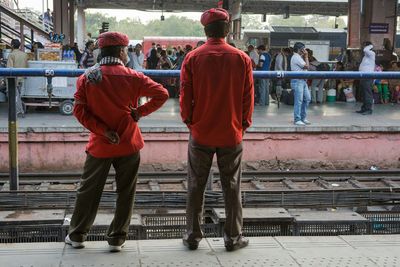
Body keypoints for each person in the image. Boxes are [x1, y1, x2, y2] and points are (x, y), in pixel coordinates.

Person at [65, 31, 169, 252]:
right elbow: (162, 94)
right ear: (122, 52)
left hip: (100, 145)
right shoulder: (134, 77)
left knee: (89, 190)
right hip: (129, 143)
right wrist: (139, 112)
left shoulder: (87, 77)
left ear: (101, 52)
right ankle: (117, 238)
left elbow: (79, 111)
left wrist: (103, 131)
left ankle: (77, 235)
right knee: (125, 191)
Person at [180, 8, 254, 252]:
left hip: (200, 133)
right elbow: (247, 99)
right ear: (227, 29)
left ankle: (192, 236)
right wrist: (241, 125)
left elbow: (185, 97)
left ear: (205, 30)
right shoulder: (241, 58)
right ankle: (233, 238)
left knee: (195, 185)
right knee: (232, 186)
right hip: (231, 134)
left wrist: (190, 122)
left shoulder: (192, 58)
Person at [290, 42, 311, 126]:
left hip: (302, 81)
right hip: (298, 81)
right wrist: (306, 56)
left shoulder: (299, 57)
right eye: (303, 49)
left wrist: (304, 57)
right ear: (300, 50)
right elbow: (307, 66)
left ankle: (302, 117)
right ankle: (297, 119)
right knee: (298, 101)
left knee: (307, 98)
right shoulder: (296, 57)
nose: (305, 51)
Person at [7, 39, 28, 117]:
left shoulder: (11, 55)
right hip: (22, 78)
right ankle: (20, 111)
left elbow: (9, 69)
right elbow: (26, 67)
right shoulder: (24, 54)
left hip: (14, 79)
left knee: (15, 96)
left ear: (12, 45)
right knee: (18, 95)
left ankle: (19, 111)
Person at [356, 41, 375, 115]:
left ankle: (368, 109)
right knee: (363, 93)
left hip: (368, 76)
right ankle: (364, 108)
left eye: (364, 45)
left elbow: (365, 50)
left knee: (367, 93)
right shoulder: (365, 56)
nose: (362, 47)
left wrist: (370, 45)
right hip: (363, 76)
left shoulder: (372, 54)